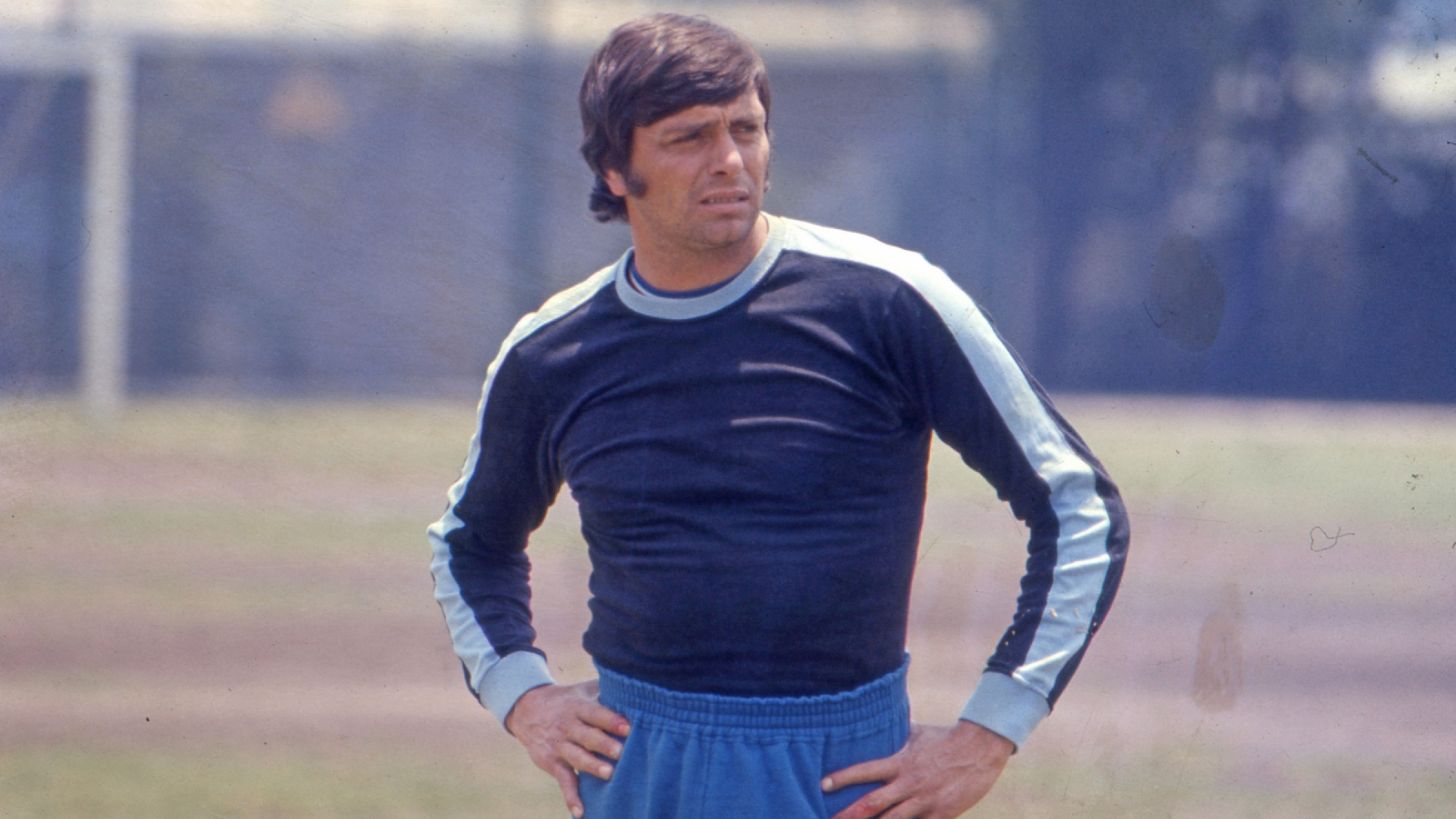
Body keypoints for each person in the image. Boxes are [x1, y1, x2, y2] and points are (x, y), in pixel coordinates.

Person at [428, 12, 1129, 819]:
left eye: (746, 129)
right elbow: (470, 544)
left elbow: (1080, 507)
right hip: (640, 768)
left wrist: (990, 731)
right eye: (689, 137)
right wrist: (524, 695)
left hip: (844, 777)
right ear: (616, 169)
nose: (729, 160)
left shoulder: (887, 301)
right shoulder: (551, 351)